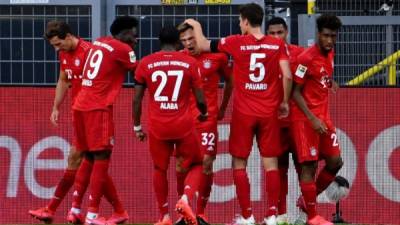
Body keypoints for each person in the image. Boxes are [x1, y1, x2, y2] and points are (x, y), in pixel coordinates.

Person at [185, 3, 293, 225]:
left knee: (239, 164)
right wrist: (283, 102)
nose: (238, 24)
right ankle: (272, 215)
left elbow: (204, 44)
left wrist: (195, 25)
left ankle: (247, 216)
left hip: (244, 113)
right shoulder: (277, 44)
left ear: (245, 21)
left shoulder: (235, 42)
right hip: (268, 112)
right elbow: (288, 75)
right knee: (271, 164)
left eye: (239, 21)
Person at [133, 25, 208, 225]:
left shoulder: (145, 63)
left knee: (159, 169)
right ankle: (185, 199)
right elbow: (200, 98)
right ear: (178, 43)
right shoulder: (189, 62)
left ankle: (164, 216)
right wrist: (204, 112)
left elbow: (137, 100)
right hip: (182, 125)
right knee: (197, 164)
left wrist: (137, 127)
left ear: (160, 41)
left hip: (158, 126)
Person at [71, 16, 139, 225]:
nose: (136, 38)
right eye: (133, 33)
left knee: (89, 158)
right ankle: (92, 215)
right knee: (101, 158)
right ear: (125, 32)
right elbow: (140, 73)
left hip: (80, 104)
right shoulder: (123, 49)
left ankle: (75, 209)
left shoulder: (99, 41)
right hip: (97, 108)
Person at [28, 20, 91, 224]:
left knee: (81, 160)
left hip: (93, 116)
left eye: (58, 44)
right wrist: (56, 107)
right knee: (89, 163)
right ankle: (73, 211)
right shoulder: (64, 54)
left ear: (69, 36)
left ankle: (56, 209)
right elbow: (64, 79)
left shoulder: (89, 52)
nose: (56, 49)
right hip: (78, 115)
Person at [175, 22, 233, 225]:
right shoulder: (180, 57)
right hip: (183, 122)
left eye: (191, 39)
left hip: (207, 119)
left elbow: (230, 81)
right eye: (184, 41)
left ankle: (200, 213)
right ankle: (184, 210)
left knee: (207, 164)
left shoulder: (218, 56)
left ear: (199, 37)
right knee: (181, 167)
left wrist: (223, 107)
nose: (188, 44)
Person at [290, 14, 343, 225]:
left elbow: (321, 75)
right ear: (318, 34)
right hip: (305, 120)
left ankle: (306, 201)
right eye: (326, 36)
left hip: (324, 118)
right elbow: (295, 92)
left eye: (333, 36)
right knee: (309, 167)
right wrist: (312, 119)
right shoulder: (305, 58)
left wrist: (330, 82)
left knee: (335, 162)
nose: (330, 41)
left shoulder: (330, 54)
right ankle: (312, 216)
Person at [266, 17, 304, 225]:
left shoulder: (299, 53)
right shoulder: (262, 57)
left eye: (280, 32)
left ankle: (306, 212)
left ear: (287, 32)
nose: (276, 37)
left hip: (297, 121)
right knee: (279, 169)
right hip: (274, 122)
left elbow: (308, 80)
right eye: (272, 33)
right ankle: (280, 216)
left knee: (303, 169)